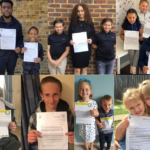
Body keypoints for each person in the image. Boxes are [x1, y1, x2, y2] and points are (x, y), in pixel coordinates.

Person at [27, 76, 74, 150]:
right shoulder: (34, 117)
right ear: (41, 95)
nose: (51, 99)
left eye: (55, 94)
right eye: (47, 95)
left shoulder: (68, 114)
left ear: (60, 93)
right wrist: (31, 140)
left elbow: (73, 132)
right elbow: (33, 143)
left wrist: (74, 137)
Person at [68, 3, 95, 75]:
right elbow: (69, 35)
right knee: (76, 70)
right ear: (75, 12)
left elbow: (93, 34)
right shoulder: (73, 23)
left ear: (85, 11)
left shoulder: (90, 23)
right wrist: (70, 41)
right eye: (78, 11)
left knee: (84, 70)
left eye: (82, 10)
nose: (80, 13)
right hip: (76, 50)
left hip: (86, 49)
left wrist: (91, 40)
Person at [0, 0, 23, 75]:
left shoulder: (17, 24)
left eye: (8, 7)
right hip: (0, 55)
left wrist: (19, 47)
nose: (6, 9)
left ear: (12, 9)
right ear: (1, 9)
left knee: (11, 74)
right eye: (4, 7)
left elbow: (20, 37)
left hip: (12, 55)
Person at [77, 78, 99, 150]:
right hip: (82, 125)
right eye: (81, 89)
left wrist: (94, 112)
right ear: (78, 91)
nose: (84, 91)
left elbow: (97, 114)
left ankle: (91, 147)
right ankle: (86, 147)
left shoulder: (93, 102)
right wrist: (75, 112)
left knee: (92, 137)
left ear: (90, 92)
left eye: (86, 89)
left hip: (91, 125)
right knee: (84, 136)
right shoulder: (78, 103)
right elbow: (77, 114)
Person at [120, 8, 143, 74]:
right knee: (131, 52)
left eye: (133, 17)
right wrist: (122, 36)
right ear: (127, 17)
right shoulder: (125, 25)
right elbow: (121, 34)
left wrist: (140, 37)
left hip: (135, 41)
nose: (132, 19)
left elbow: (140, 35)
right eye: (129, 17)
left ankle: (132, 68)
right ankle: (134, 70)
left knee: (139, 50)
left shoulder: (138, 25)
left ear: (136, 16)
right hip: (128, 42)